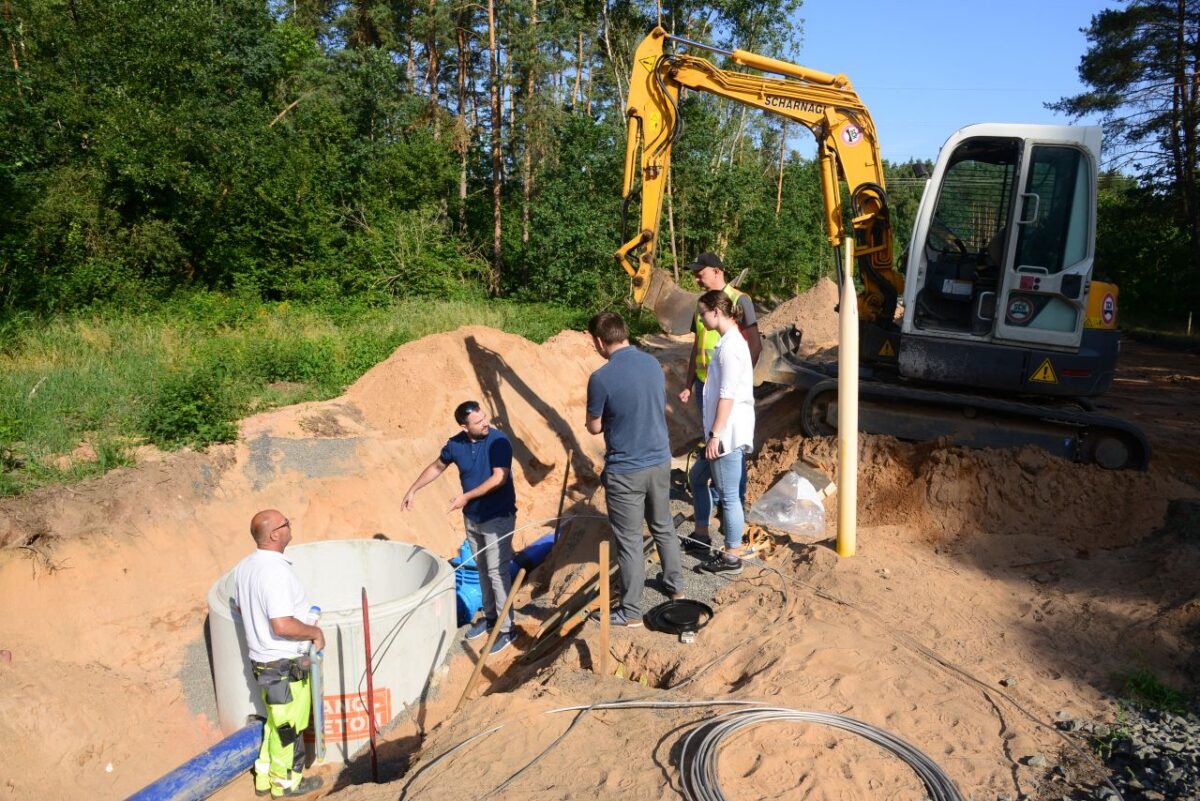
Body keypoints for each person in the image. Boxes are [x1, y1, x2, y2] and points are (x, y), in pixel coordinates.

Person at [585, 311, 685, 627]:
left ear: (600, 341)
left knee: (629, 541)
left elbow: (594, 427)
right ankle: (675, 587)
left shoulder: (601, 378)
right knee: (663, 525)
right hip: (659, 460)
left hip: (625, 469)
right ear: (625, 333)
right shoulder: (653, 364)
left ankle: (630, 612)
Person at [404, 401, 518, 655]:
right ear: (464, 427)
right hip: (473, 518)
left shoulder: (499, 441)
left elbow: (499, 477)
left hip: (498, 516)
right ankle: (490, 619)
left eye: (484, 417)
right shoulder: (455, 445)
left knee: (498, 572)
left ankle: (507, 629)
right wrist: (413, 489)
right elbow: (436, 466)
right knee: (482, 569)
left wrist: (466, 497)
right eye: (478, 422)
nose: (485, 423)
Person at [234, 509, 325, 799]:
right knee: (290, 728)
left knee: (276, 722)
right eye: (286, 523)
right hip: (285, 667)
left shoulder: (246, 566)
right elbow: (282, 624)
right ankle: (285, 785)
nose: (290, 525)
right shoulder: (274, 572)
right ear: (274, 534)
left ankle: (263, 777)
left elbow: (242, 607)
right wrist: (314, 632)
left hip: (264, 663)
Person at [677, 252, 761, 554]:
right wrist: (689, 385)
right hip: (709, 391)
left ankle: (731, 530)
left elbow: (754, 346)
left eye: (701, 272)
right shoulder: (705, 308)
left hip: (727, 403)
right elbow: (696, 348)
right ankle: (704, 529)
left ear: (716, 271)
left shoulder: (739, 302)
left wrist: (739, 384)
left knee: (728, 473)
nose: (697, 277)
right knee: (704, 471)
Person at [695, 290, 756, 575]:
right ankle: (701, 534)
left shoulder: (731, 347)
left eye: (703, 313)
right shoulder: (727, 341)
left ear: (716, 312)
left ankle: (732, 555)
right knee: (697, 477)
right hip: (721, 431)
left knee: (728, 495)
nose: (701, 318)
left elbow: (728, 395)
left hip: (727, 434)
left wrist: (715, 434)